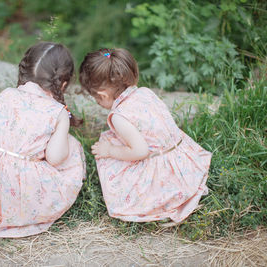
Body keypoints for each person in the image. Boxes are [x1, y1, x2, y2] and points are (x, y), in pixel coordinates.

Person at [0, 42, 85, 238]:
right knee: (72, 147)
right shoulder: (58, 112)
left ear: (25, 71)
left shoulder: (7, 94)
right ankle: (17, 212)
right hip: (21, 187)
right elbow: (56, 158)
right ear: (63, 84)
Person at [79, 48, 212, 223]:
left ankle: (156, 196)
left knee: (107, 146)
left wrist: (110, 151)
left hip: (161, 172)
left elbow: (141, 151)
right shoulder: (144, 92)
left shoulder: (119, 116)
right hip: (180, 158)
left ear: (102, 95)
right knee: (112, 139)